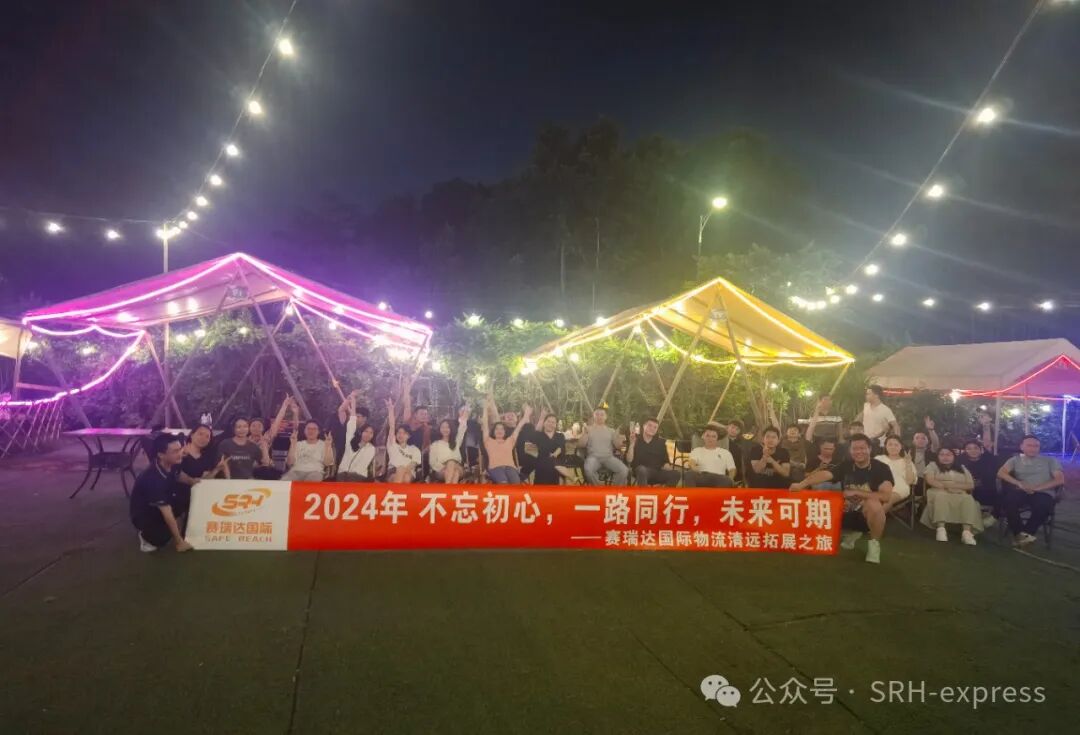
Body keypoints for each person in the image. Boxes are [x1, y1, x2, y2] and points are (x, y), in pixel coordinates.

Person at [791, 434, 894, 564]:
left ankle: (874, 545)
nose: (858, 452)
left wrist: (856, 492)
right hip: (845, 511)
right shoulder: (846, 465)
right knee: (822, 495)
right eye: (855, 448)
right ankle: (850, 533)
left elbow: (886, 496)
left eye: (862, 448)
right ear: (850, 450)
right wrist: (801, 484)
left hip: (866, 515)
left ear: (870, 449)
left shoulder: (882, 468)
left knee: (874, 504)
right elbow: (825, 474)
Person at [997, 435, 1064, 547]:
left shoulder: (1050, 461)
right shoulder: (1015, 460)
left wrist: (1036, 488)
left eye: (1036, 446)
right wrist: (1018, 483)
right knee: (1008, 501)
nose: (1033, 448)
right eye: (1029, 445)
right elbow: (1001, 473)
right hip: (1021, 490)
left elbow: (1060, 479)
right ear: (1022, 447)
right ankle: (1020, 533)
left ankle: (1027, 533)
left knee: (1043, 505)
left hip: (1043, 492)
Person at [130, 433, 193, 553]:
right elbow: (167, 512)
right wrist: (179, 542)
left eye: (180, 449)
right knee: (161, 538)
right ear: (161, 455)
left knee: (187, 496)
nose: (180, 453)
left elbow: (181, 476)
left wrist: (196, 482)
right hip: (145, 514)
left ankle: (173, 524)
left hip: (164, 499)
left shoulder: (172, 462)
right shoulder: (152, 478)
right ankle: (145, 536)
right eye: (175, 451)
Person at [921, 447, 982, 545]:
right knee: (941, 496)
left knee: (968, 498)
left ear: (954, 456)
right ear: (938, 456)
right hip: (938, 490)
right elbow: (930, 480)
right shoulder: (933, 465)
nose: (945, 457)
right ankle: (941, 529)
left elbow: (970, 485)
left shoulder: (962, 468)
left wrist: (955, 487)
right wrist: (947, 487)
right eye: (942, 454)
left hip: (959, 492)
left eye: (948, 454)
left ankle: (966, 532)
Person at [174, 424, 225, 517]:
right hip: (177, 499)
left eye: (207, 436)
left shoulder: (207, 458)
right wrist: (192, 481)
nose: (203, 438)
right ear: (192, 435)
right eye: (200, 434)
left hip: (196, 500)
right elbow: (176, 474)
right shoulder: (179, 451)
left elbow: (204, 480)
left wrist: (217, 469)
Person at [483, 401, 532, 484]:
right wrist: (485, 408)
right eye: (497, 429)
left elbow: (520, 426)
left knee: (516, 483)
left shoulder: (510, 440)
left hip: (510, 467)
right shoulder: (488, 441)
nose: (499, 431)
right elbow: (485, 423)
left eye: (502, 429)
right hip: (496, 467)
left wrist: (526, 414)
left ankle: (522, 475)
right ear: (493, 432)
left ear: (505, 432)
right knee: (504, 483)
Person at [581, 407, 629, 485]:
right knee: (588, 470)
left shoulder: (611, 431)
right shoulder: (588, 429)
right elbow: (580, 444)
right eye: (597, 414)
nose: (599, 416)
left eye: (602, 414)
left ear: (606, 417)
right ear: (593, 416)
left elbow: (617, 446)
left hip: (609, 457)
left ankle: (614, 490)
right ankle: (599, 489)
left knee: (624, 470)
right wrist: (585, 433)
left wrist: (620, 440)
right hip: (593, 458)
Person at [628, 417, 680, 487]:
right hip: (641, 471)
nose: (652, 428)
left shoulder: (661, 443)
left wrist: (670, 469)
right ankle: (643, 493)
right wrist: (631, 444)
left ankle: (664, 493)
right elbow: (629, 460)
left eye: (655, 427)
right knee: (642, 470)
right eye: (650, 425)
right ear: (644, 426)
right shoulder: (635, 439)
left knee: (676, 474)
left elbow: (665, 463)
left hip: (657, 472)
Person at [958, 438, 999, 525]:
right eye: (969, 448)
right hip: (967, 490)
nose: (973, 451)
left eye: (976, 448)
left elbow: (990, 477)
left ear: (981, 449)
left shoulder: (988, 459)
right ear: (965, 451)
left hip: (986, 490)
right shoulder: (961, 461)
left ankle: (993, 516)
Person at [531, 409, 575, 485]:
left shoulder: (560, 436)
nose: (550, 424)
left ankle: (563, 478)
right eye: (548, 421)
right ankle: (570, 476)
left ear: (556, 425)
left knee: (552, 462)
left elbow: (560, 448)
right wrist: (541, 417)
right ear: (544, 423)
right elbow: (532, 440)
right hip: (542, 466)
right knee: (547, 463)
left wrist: (554, 455)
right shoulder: (538, 436)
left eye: (553, 422)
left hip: (558, 462)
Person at [385, 398, 422, 483]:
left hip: (409, 472)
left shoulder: (414, 449)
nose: (400, 435)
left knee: (406, 477)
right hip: (393, 471)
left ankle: (394, 491)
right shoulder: (392, 445)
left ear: (408, 436)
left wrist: (402, 470)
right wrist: (391, 410)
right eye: (399, 432)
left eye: (404, 433)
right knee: (403, 473)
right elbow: (392, 426)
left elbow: (413, 464)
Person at [429, 407, 469, 483]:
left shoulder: (456, 441)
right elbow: (432, 462)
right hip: (441, 470)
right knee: (455, 473)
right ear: (440, 429)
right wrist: (445, 467)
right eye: (443, 427)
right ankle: (451, 489)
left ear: (451, 429)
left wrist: (463, 417)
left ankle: (448, 488)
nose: (445, 429)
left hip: (458, 467)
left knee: (452, 463)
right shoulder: (435, 444)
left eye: (447, 427)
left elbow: (462, 429)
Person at [873, 435, 914, 504]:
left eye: (896, 445)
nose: (893, 447)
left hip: (898, 488)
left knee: (885, 501)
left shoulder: (907, 461)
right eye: (890, 444)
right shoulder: (878, 458)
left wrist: (908, 463)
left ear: (901, 447)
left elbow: (910, 481)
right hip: (878, 487)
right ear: (885, 446)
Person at [725, 419, 749, 483]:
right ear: (727, 427)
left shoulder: (741, 443)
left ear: (740, 432)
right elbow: (711, 423)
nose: (734, 430)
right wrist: (725, 428)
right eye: (732, 427)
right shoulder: (721, 439)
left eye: (737, 429)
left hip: (737, 473)